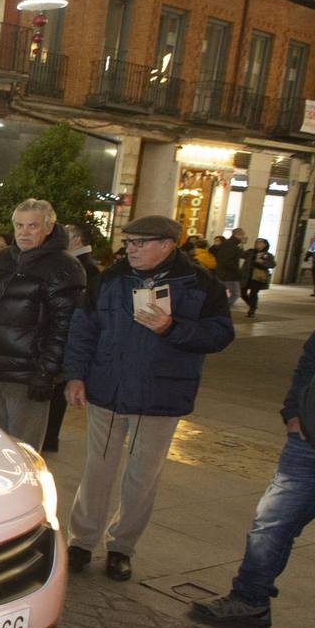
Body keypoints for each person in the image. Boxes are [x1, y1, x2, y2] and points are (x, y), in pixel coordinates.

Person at [188, 230, 315, 628]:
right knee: (270, 524)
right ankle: (249, 600)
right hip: (311, 442)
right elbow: (312, 358)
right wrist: (295, 412)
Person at [63, 215, 235, 581]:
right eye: (129, 242)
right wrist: (75, 375)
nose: (131, 249)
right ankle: (81, 542)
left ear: (168, 244)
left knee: (142, 477)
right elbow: (84, 327)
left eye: (141, 242)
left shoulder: (199, 284)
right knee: (97, 470)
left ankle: (121, 547)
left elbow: (219, 335)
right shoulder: (110, 279)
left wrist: (172, 329)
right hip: (108, 389)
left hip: (160, 394)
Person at [0, 200, 86, 447]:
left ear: (48, 228)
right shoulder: (1, 260)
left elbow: (64, 327)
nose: (23, 232)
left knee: (23, 450)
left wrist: (46, 372)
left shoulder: (64, 267)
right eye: (19, 225)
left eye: (32, 226)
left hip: (27, 378)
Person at [42, 223, 103, 451]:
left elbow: (82, 312)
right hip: (63, 335)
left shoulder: (85, 267)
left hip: (67, 336)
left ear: (77, 239)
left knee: (57, 389)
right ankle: (49, 436)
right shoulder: (71, 263)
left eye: (66, 234)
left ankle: (49, 437)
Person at [240, 238, 277, 318]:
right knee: (242, 292)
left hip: (258, 277)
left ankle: (252, 310)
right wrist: (240, 246)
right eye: (256, 242)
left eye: (260, 243)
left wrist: (263, 262)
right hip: (247, 275)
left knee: (253, 293)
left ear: (265, 244)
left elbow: (272, 264)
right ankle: (252, 305)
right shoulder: (250, 252)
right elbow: (241, 255)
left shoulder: (268, 255)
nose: (257, 244)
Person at [211, 227, 246, 307]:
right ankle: (221, 308)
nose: (243, 237)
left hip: (224, 273)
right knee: (235, 293)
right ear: (238, 235)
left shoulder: (228, 244)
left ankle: (219, 307)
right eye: (243, 235)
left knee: (226, 293)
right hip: (229, 275)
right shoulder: (232, 245)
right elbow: (228, 261)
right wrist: (238, 272)